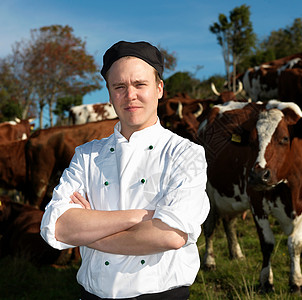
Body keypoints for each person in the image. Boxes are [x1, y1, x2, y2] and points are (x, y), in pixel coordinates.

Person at [40, 41, 210, 300]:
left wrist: (90, 235)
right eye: (119, 87)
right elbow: (59, 227)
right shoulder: (87, 155)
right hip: (92, 295)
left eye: (140, 84)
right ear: (109, 95)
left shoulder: (185, 154)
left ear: (159, 89)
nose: (130, 95)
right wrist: (141, 217)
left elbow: (171, 235)